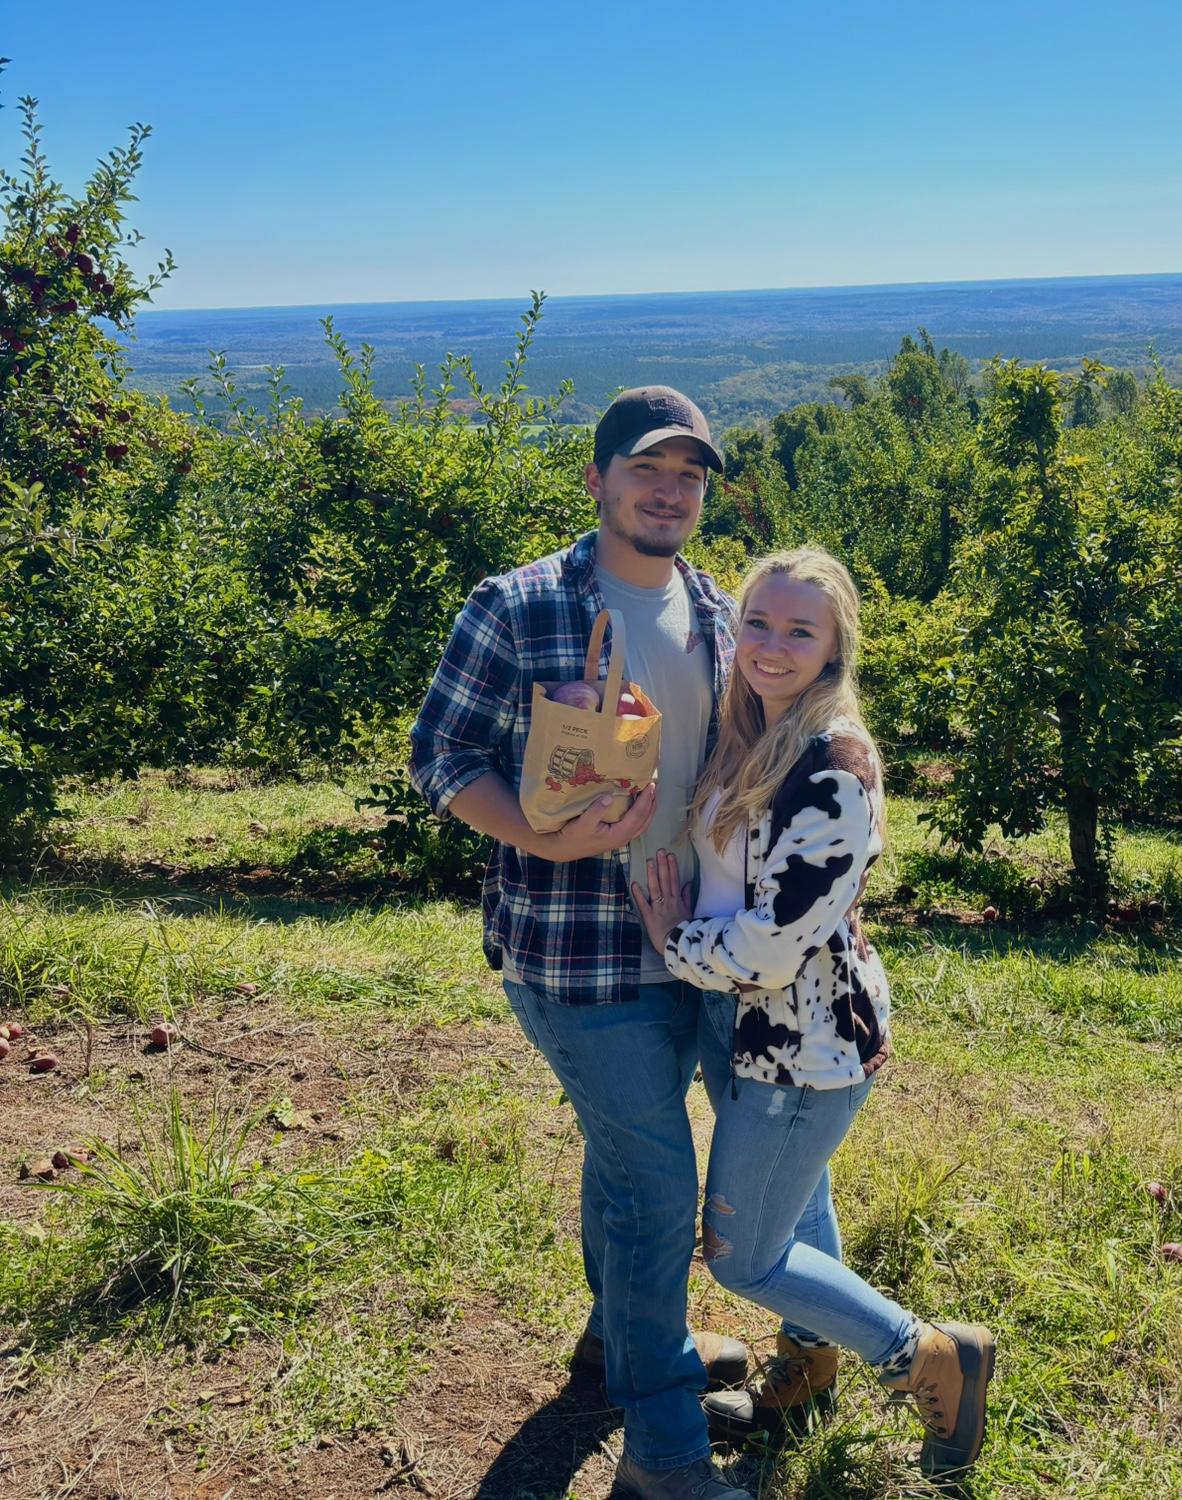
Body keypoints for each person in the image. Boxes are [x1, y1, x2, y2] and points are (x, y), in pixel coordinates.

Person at [408, 386, 756, 1500]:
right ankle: (662, 1451)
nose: (670, 491)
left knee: (626, 1156)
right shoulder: (516, 607)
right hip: (573, 953)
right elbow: (441, 756)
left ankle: (619, 1348)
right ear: (600, 479)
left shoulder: (716, 611)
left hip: (695, 944)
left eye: (690, 476)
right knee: (659, 1183)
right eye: (649, 470)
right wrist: (538, 839)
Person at [631, 547, 996, 1478]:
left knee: (743, 1257)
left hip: (803, 1047)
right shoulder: (753, 731)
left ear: (835, 646)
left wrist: (675, 941)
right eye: (759, 622)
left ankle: (928, 1356)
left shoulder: (833, 765)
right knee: (796, 1212)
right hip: (749, 1030)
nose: (773, 645)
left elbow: (770, 945)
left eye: (801, 631)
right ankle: (806, 1372)